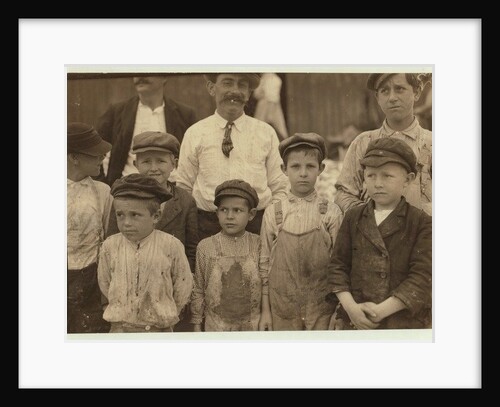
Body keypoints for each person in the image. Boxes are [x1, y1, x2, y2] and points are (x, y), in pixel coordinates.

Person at [327, 138, 432, 330]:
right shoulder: (353, 217)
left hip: (401, 322)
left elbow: (422, 278)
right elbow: (338, 267)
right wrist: (351, 309)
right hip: (355, 320)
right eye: (371, 176)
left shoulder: (420, 222)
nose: (378, 183)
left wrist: (379, 312)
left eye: (387, 176)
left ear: (408, 180)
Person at [176, 73, 289, 241]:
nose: (235, 91)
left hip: (257, 227)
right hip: (207, 228)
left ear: (249, 93)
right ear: (211, 88)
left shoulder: (265, 133)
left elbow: (280, 187)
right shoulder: (196, 133)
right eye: (228, 83)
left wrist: (270, 223)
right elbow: (183, 187)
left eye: (242, 85)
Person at [259, 133, 344, 331]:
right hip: (282, 309)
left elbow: (340, 266)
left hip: (322, 308)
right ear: (284, 169)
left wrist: (339, 312)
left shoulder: (331, 212)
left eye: (310, 166)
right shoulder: (274, 212)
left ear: (321, 169)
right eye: (296, 166)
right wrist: (266, 311)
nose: (303, 173)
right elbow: (264, 265)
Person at [97, 173, 193, 333]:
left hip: (159, 328)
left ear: (156, 216)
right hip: (121, 327)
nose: (126, 223)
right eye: (120, 215)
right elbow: (105, 282)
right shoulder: (110, 246)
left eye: (135, 215)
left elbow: (182, 286)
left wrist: (166, 313)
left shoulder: (170, 245)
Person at [335, 73, 432, 216]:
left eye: (399, 89)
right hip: (375, 235)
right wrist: (368, 219)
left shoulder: (432, 143)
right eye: (385, 91)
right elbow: (344, 193)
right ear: (377, 98)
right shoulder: (363, 143)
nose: (392, 98)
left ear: (416, 93)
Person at [96, 75, 197, 187]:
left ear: (164, 76)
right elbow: (94, 149)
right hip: (127, 189)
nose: (140, 76)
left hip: (171, 189)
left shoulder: (185, 114)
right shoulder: (117, 112)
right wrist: (103, 186)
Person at [190, 179, 262, 332]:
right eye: (224, 210)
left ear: (251, 214)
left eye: (237, 210)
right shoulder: (206, 247)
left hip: (251, 325)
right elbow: (198, 289)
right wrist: (197, 324)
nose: (229, 216)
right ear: (217, 213)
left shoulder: (259, 245)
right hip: (216, 326)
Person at [67, 122, 113, 333]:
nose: (101, 158)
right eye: (94, 154)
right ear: (73, 157)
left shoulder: (103, 192)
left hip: (91, 281)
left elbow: (107, 239)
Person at [253, 72, 289, 141]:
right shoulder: (263, 78)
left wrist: (269, 113)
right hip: (263, 105)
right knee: (257, 131)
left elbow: (272, 97)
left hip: (271, 106)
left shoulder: (274, 79)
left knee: (278, 130)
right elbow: (256, 94)